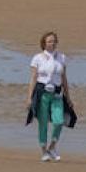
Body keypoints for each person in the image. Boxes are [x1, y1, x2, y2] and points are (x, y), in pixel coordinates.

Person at [26, 30, 72, 160]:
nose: (52, 43)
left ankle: (52, 146)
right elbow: (33, 78)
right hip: (42, 93)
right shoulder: (37, 58)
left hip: (57, 93)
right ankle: (44, 151)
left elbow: (64, 78)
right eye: (49, 41)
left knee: (59, 121)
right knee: (43, 122)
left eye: (54, 41)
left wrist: (68, 97)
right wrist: (29, 97)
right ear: (44, 43)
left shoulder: (62, 57)